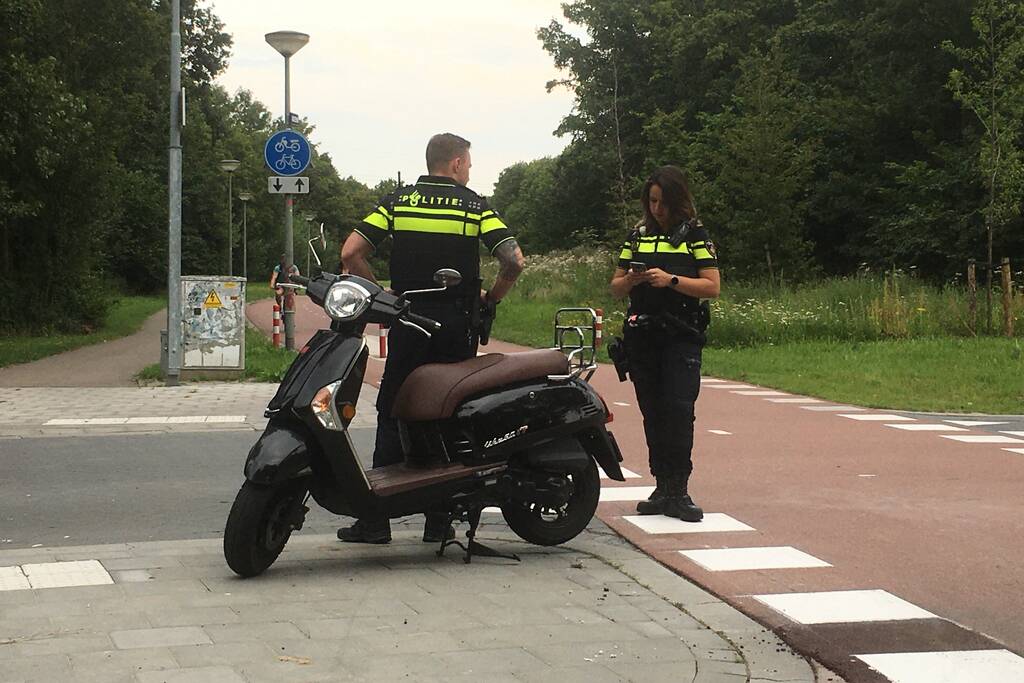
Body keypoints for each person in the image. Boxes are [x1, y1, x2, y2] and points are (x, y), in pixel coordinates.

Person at [336, 133, 526, 544]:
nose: (470, 170)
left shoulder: (398, 202)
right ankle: (439, 520)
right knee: (449, 410)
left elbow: (351, 253)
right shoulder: (474, 205)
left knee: (393, 407)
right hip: (456, 325)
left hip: (408, 321)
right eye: (469, 164)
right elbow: (513, 259)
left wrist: (385, 296)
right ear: (456, 163)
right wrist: (491, 297)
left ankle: (375, 521)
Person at [609, 166, 720, 521]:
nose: (656, 209)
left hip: (681, 336)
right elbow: (614, 286)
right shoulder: (637, 235)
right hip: (643, 337)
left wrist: (670, 280)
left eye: (662, 202)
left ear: (677, 200)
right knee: (652, 411)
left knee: (678, 409)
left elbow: (712, 286)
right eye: (651, 201)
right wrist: (631, 279)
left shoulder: (695, 235)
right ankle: (661, 487)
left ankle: (680, 490)